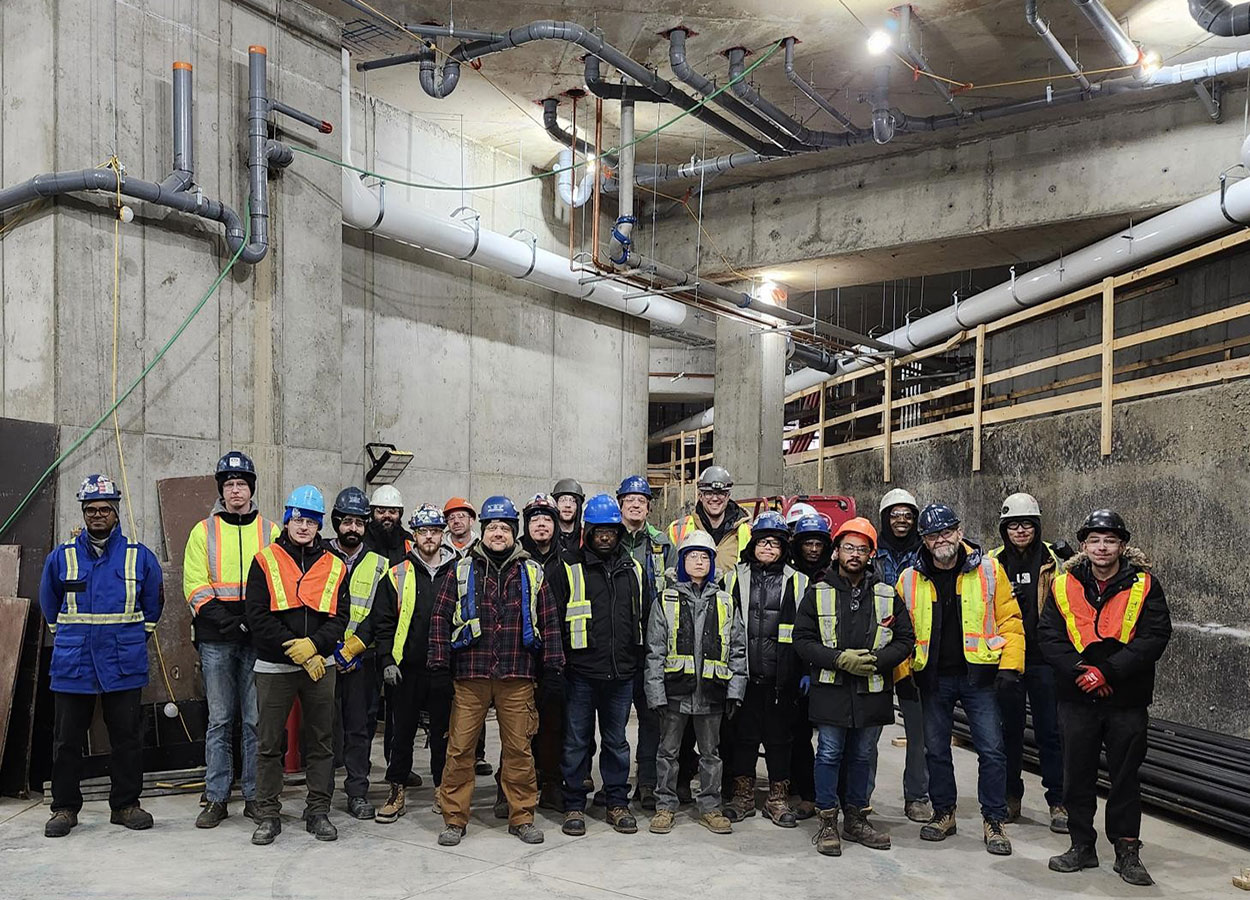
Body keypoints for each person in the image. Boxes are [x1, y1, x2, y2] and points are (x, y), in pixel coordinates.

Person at [1040, 510, 1172, 887]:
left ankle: (1127, 850)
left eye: (1110, 540)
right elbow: (1049, 635)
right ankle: (1082, 845)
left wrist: (1108, 672)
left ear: (1123, 546)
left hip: (1126, 700)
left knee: (1125, 778)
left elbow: (1155, 636)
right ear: (1084, 545)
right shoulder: (1063, 585)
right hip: (1077, 698)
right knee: (1076, 775)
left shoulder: (1145, 584)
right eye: (1095, 540)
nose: (1102, 547)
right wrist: (1084, 673)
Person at [427, 496, 564, 847]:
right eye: (492, 528)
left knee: (519, 750)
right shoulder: (461, 570)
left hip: (517, 676)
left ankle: (522, 816)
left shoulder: (532, 572)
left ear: (513, 533)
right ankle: (454, 819)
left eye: (505, 527)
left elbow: (549, 624)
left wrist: (552, 670)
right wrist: (439, 666)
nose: (498, 533)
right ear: (483, 531)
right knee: (460, 750)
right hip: (470, 675)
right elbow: (440, 619)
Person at [40, 475, 164, 838]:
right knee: (66, 741)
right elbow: (49, 603)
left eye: (104, 509)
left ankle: (126, 805)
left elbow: (154, 602)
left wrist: (133, 638)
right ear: (83, 512)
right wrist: (66, 638)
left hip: (122, 663)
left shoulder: (138, 556)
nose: (98, 515)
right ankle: (64, 808)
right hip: (74, 663)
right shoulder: (61, 556)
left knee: (126, 738)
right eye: (91, 509)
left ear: (116, 513)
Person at [897, 503, 1024, 856]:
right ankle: (944, 814)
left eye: (947, 532)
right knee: (935, 751)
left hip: (979, 678)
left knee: (992, 751)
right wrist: (903, 674)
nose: (942, 540)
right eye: (933, 535)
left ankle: (994, 820)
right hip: (932, 679)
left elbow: (1010, 621)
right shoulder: (909, 578)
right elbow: (899, 633)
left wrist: (1010, 667)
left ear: (959, 530)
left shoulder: (988, 570)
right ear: (923, 539)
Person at [794, 516, 914, 857]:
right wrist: (838, 659)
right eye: (848, 547)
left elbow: (905, 639)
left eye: (862, 549)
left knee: (863, 756)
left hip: (871, 692)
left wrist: (877, 661)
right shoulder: (817, 593)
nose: (854, 554)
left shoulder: (887, 595)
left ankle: (857, 818)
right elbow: (802, 640)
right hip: (830, 691)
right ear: (836, 552)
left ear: (871, 554)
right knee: (829, 754)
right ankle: (828, 820)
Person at [244, 485, 349, 845]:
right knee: (269, 743)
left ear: (320, 525)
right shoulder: (265, 560)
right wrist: (295, 649)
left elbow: (341, 617)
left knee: (321, 741)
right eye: (299, 519)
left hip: (321, 665)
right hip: (275, 666)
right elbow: (256, 616)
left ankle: (318, 810)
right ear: (288, 520)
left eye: (312, 521)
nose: (304, 526)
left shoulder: (335, 565)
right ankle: (268, 813)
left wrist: (315, 646)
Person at [182, 451, 278, 828]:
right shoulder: (202, 532)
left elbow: (279, 583)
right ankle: (217, 797)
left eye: (242, 484)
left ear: (251, 489)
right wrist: (229, 623)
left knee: (254, 720)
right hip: (216, 637)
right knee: (220, 720)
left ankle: (255, 797)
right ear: (221, 491)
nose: (236, 491)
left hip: (257, 637)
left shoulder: (271, 531)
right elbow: (195, 585)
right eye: (229, 485)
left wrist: (254, 623)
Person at [644, 530, 746, 835]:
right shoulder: (666, 599)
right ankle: (665, 805)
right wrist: (655, 694)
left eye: (705, 557)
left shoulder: (726, 601)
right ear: (683, 561)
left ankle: (710, 807)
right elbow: (654, 651)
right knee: (668, 752)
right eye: (692, 556)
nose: (699, 561)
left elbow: (738, 651)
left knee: (711, 754)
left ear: (713, 563)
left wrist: (735, 692)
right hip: (676, 692)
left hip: (712, 693)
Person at [556, 494, 645, 837]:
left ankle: (616, 803)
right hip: (580, 673)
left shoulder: (632, 568)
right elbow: (556, 621)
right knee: (577, 742)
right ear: (588, 531)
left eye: (611, 531)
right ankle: (574, 803)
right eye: (599, 531)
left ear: (618, 532)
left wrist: (636, 663)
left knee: (617, 742)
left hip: (621, 673)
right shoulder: (569, 567)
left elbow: (644, 616)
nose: (605, 537)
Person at [720, 511, 808, 827]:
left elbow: (806, 632)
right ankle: (742, 797)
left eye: (774, 544)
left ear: (784, 548)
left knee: (779, 739)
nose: (768, 548)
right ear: (753, 544)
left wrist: (804, 672)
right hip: (742, 676)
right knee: (742, 737)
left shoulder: (799, 582)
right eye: (762, 542)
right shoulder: (733, 578)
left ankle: (777, 798)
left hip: (781, 678)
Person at [372, 504, 457, 822]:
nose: (429, 537)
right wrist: (385, 661)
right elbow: (382, 623)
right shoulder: (397, 573)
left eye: (435, 531)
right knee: (401, 734)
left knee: (443, 735)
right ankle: (396, 791)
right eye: (423, 531)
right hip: (405, 670)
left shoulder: (458, 571)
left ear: (442, 533)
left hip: (444, 669)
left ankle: (442, 789)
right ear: (415, 534)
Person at [989, 492, 1066, 832]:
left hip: (1044, 660)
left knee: (1051, 733)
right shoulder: (992, 562)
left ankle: (1058, 801)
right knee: (1009, 733)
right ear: (1004, 529)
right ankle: (1010, 797)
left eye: (1026, 525)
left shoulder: (1054, 560)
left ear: (1036, 527)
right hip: (1006, 658)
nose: (1020, 531)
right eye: (1013, 525)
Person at [325, 486, 391, 820]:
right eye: (347, 521)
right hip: (321, 657)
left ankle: (357, 792)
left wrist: (351, 649)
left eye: (359, 523)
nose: (353, 528)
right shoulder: (319, 556)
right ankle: (319, 796)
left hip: (361, 660)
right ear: (336, 522)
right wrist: (331, 648)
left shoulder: (380, 564)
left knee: (358, 729)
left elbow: (380, 614)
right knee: (321, 730)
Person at [874, 488, 930, 823]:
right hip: (878, 652)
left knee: (918, 731)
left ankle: (917, 796)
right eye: (895, 515)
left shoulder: (925, 553)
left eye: (908, 515)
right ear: (885, 518)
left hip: (913, 653)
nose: (901, 521)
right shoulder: (871, 553)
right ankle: (858, 796)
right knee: (867, 731)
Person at [617, 475, 673, 811]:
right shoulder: (607, 538)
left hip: (654, 644)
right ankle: (615, 784)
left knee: (653, 717)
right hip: (621, 643)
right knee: (616, 719)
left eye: (642, 500)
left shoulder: (662, 543)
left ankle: (648, 783)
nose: (636, 505)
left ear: (649, 506)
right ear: (620, 504)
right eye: (630, 500)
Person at [520, 492, 567, 809]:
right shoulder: (515, 556)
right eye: (535, 519)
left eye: (546, 519)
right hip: (521, 656)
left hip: (558, 655)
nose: (541, 524)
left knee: (554, 725)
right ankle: (516, 783)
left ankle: (551, 782)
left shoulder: (570, 559)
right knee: (518, 727)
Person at [787, 513, 834, 819]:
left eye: (818, 543)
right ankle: (803, 790)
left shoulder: (832, 576)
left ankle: (824, 793)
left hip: (827, 663)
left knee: (831, 738)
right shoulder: (789, 575)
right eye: (808, 543)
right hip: (794, 663)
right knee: (799, 734)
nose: (813, 549)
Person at [666, 466, 751, 574]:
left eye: (720, 493)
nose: (715, 498)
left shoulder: (747, 532)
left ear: (728, 496)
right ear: (700, 496)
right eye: (709, 493)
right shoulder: (677, 529)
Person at [366, 485, 411, 565]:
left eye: (392, 511)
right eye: (381, 511)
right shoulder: (362, 540)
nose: (387, 516)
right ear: (372, 514)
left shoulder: (408, 541)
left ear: (400, 514)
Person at [552, 478, 585, 552]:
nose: (567, 505)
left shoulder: (586, 538)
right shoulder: (547, 536)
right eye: (563, 500)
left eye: (573, 501)